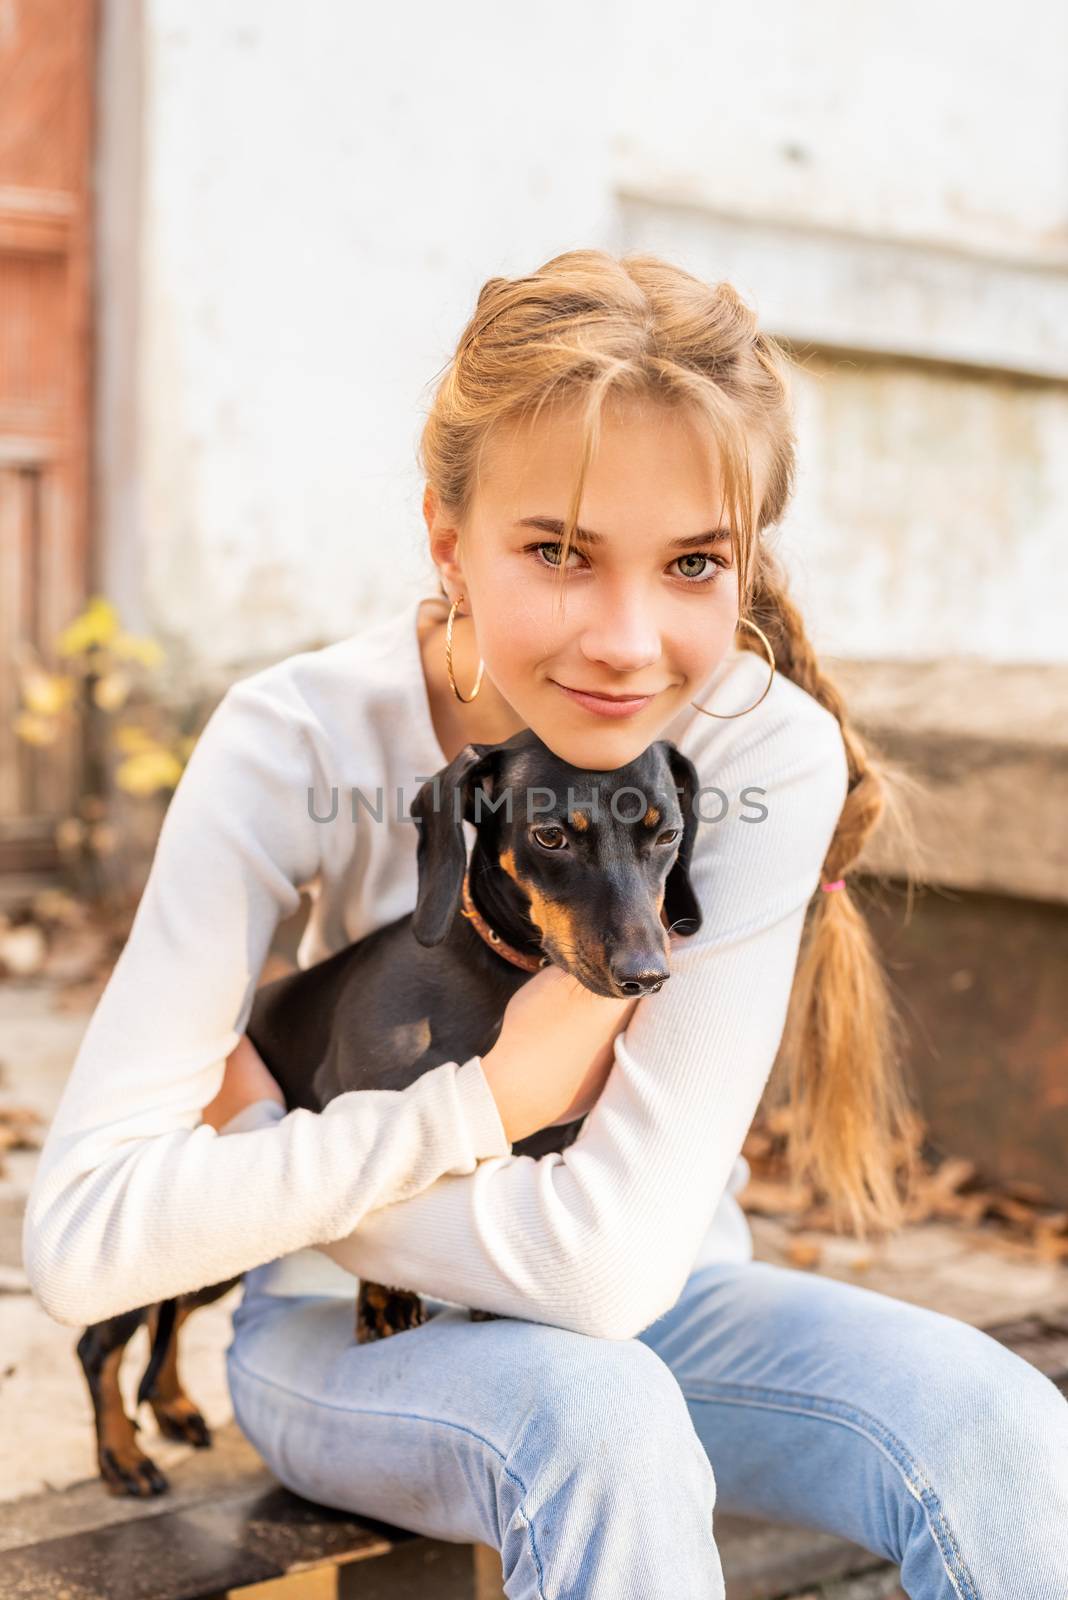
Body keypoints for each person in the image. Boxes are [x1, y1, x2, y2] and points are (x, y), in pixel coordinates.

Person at [23, 250, 1068, 1598]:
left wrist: (252, 1169)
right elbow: (82, 1244)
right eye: (558, 552)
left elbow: (614, 1268)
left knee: (1009, 1430)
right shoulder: (295, 741)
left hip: (672, 1298)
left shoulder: (759, 757)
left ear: (744, 563)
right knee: (602, 1427)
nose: (628, 642)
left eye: (693, 561)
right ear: (448, 542)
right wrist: (480, 1107)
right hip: (353, 1335)